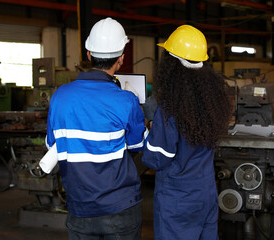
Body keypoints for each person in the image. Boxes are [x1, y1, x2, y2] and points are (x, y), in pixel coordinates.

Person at [45, 17, 148, 240]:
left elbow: (53, 145)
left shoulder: (59, 96)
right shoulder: (127, 100)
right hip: (121, 206)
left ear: (89, 54)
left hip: (79, 207)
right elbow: (138, 145)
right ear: (121, 59)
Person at [142, 25, 231, 240]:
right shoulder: (212, 101)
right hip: (206, 194)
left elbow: (156, 160)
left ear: (171, 63)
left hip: (177, 200)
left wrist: (151, 133)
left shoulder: (171, 108)